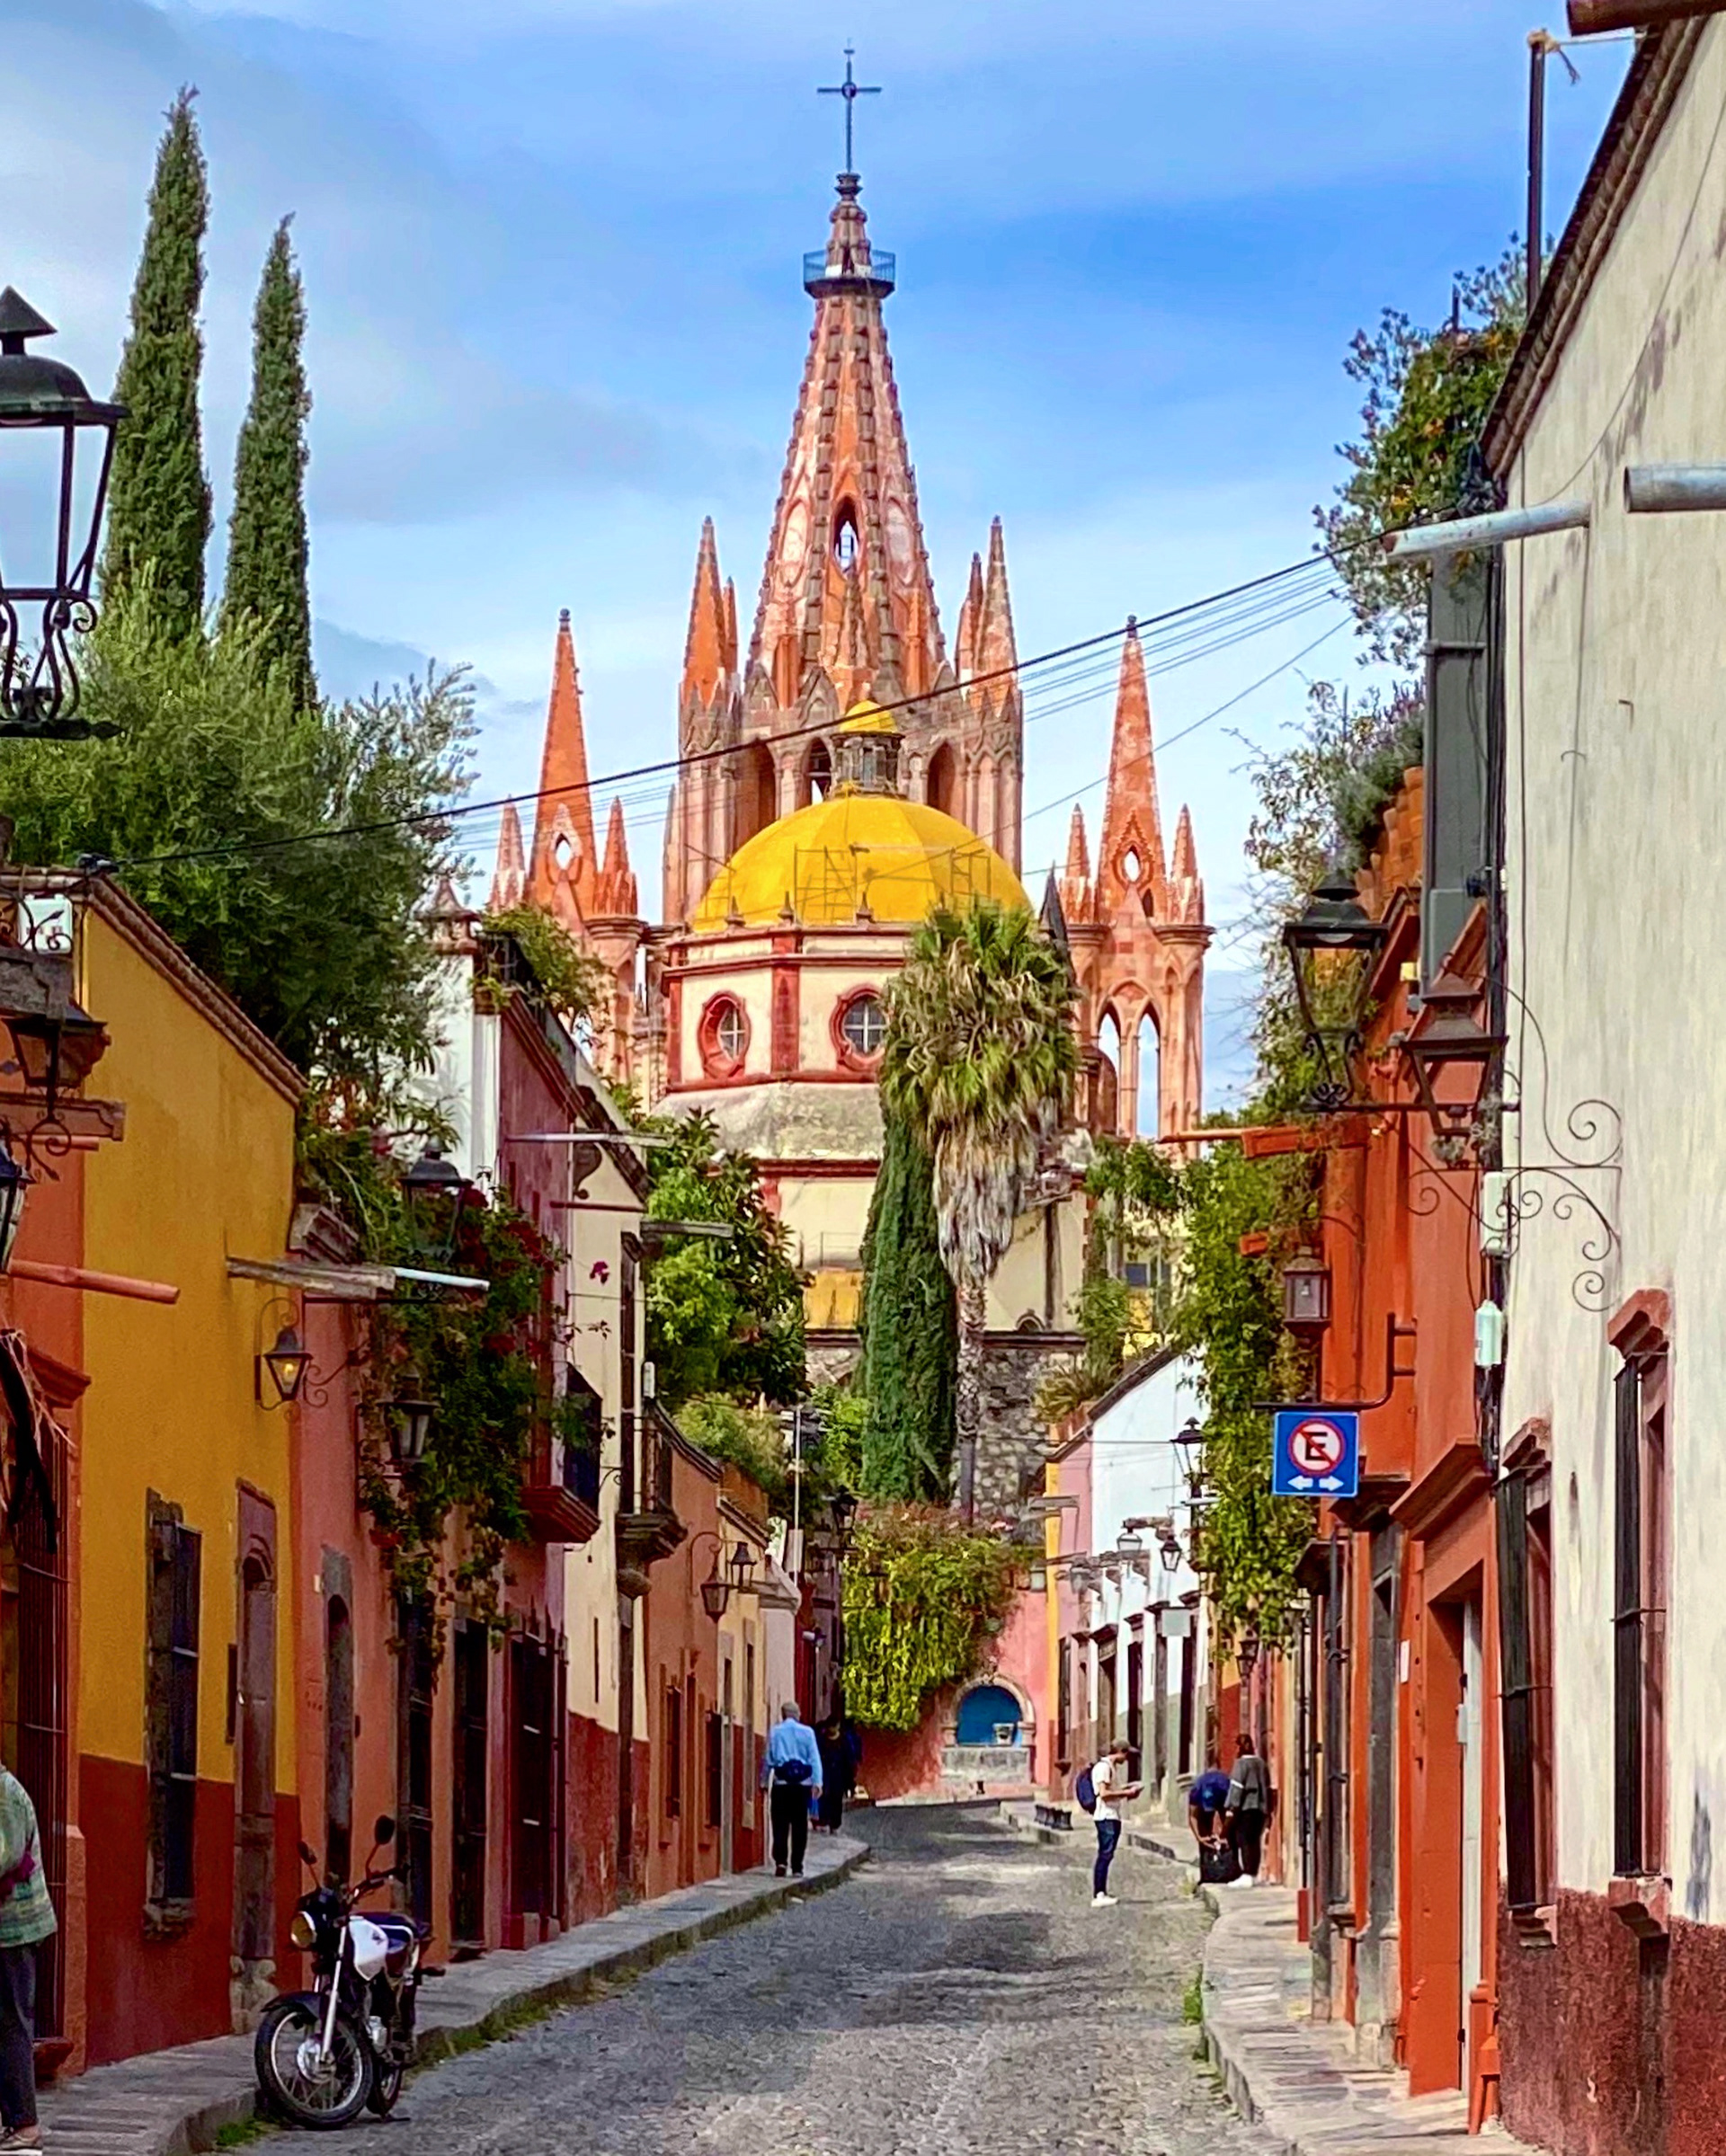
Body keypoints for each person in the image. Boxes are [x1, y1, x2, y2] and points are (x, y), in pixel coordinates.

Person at [0, 1762, 54, 2152]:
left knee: (12, 2024)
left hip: (15, 1930)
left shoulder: (6, 1793)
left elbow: (6, 1854)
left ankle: (25, 2123)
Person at [761, 1701, 823, 1877]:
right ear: (797, 1714)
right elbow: (814, 1759)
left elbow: (768, 1760)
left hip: (782, 1785)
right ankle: (797, 1866)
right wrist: (818, 1783)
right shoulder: (808, 1733)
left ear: (783, 1715)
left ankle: (781, 1861)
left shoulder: (775, 1732)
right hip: (802, 1786)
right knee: (800, 1825)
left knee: (779, 1824)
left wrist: (764, 1782)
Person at [1089, 1741, 1141, 1908]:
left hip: (1111, 1816)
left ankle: (1101, 1892)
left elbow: (1110, 1790)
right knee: (1105, 1855)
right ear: (1120, 1752)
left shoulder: (1109, 1768)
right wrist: (1126, 1793)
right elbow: (1103, 1794)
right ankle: (1099, 1894)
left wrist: (1126, 1789)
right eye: (1126, 1755)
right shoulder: (1104, 1768)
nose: (1126, 1759)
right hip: (1106, 1816)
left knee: (1107, 1855)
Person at [1225, 1730, 1271, 1888]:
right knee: (1255, 1841)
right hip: (1260, 1808)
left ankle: (1246, 1873)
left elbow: (1236, 1787)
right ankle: (1254, 1873)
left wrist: (1231, 1807)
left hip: (1245, 1808)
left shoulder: (1241, 1764)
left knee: (1243, 1840)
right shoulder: (1261, 1763)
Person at [814, 1715, 852, 1833]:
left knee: (836, 1798)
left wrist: (849, 1782)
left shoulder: (844, 1741)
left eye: (834, 1727)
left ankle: (835, 1824)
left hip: (838, 1774)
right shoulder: (821, 1740)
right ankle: (823, 1821)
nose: (832, 1730)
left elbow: (849, 1761)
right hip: (824, 1773)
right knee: (824, 1797)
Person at [1188, 1758, 1233, 1853]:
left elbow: (1192, 1816)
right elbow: (1231, 1813)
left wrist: (1198, 1837)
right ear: (1219, 1765)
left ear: (1206, 1766)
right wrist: (1224, 1833)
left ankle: (1207, 1857)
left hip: (1203, 1812)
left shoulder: (1198, 1783)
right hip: (1223, 1808)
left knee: (1205, 1840)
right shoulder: (1226, 1781)